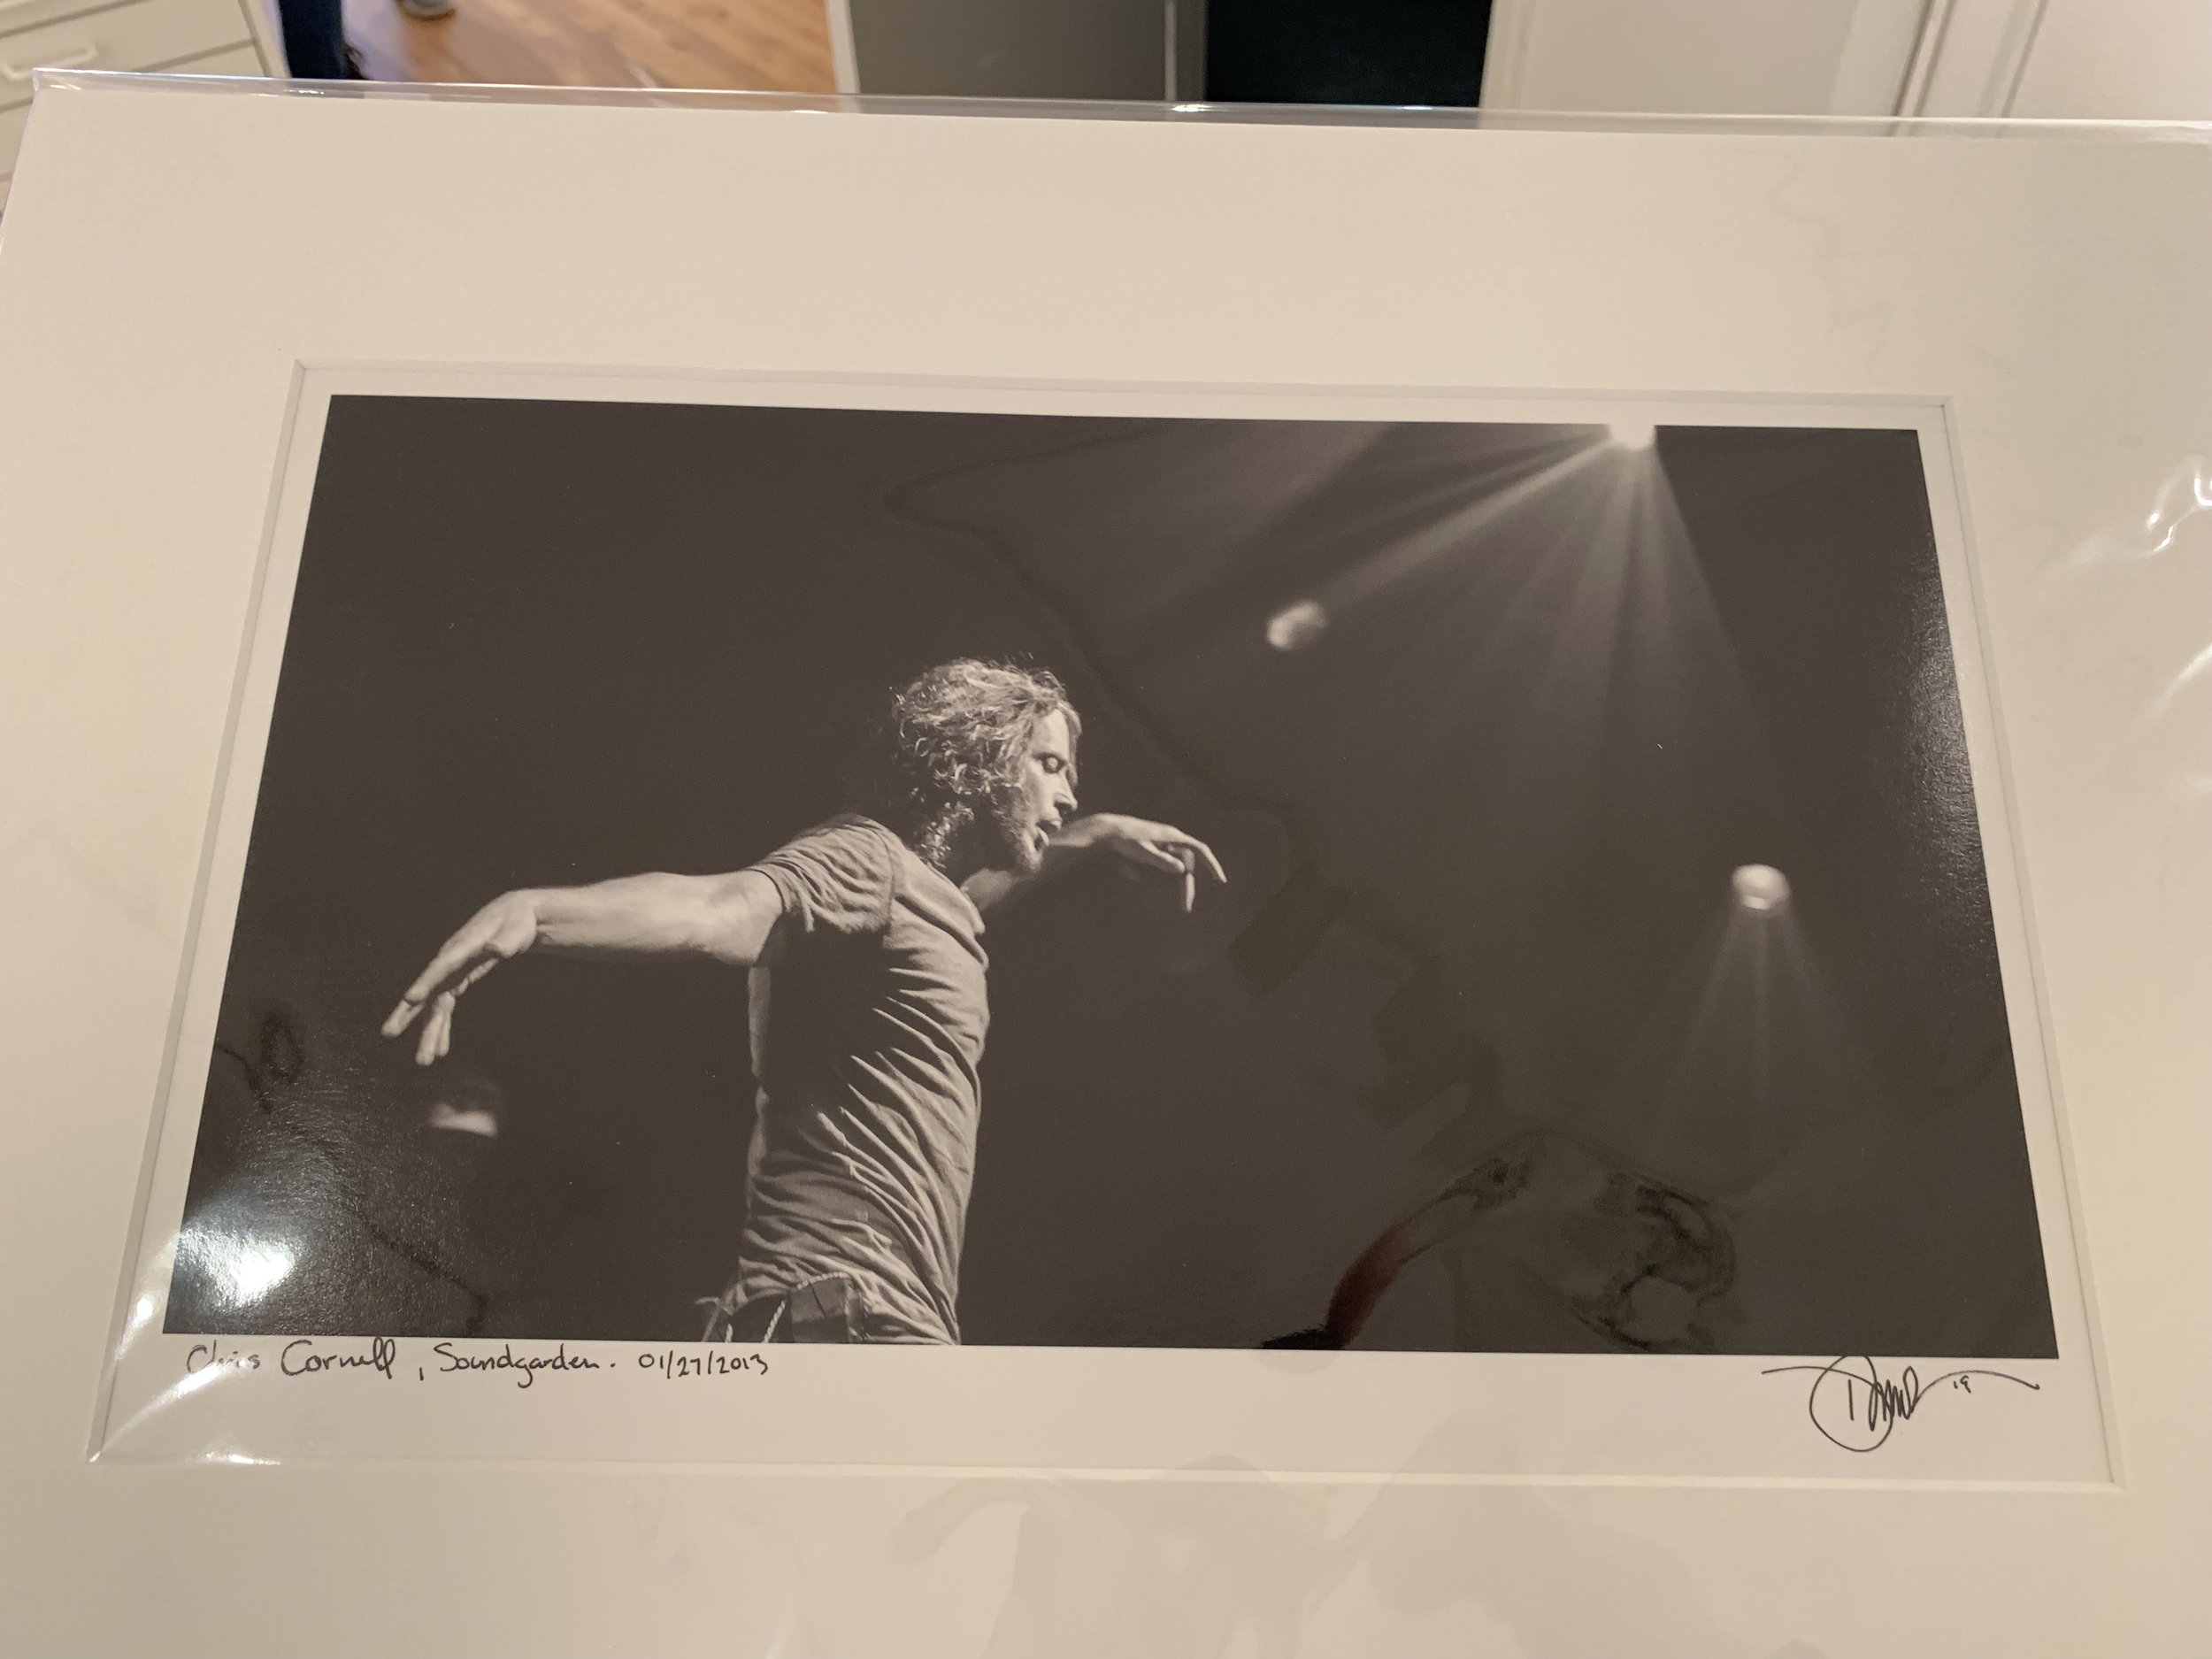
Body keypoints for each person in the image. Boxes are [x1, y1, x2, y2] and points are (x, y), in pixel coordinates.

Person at [381, 659, 1225, 1343]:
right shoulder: (866, 861)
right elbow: (719, 906)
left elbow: (956, 904)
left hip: (870, 1312)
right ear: (978, 760)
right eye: (1050, 766)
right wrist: (537, 912)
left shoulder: (923, 901)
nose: (1067, 793)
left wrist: (1095, 835)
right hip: (848, 1312)